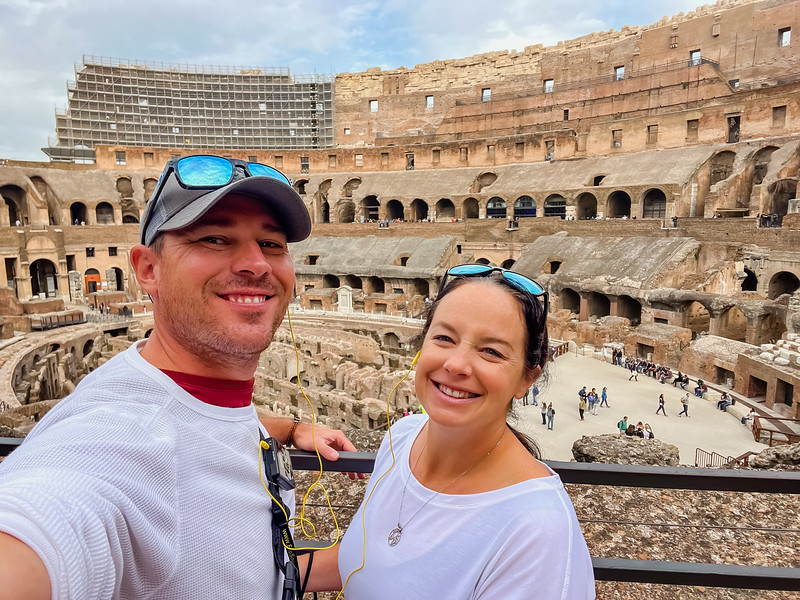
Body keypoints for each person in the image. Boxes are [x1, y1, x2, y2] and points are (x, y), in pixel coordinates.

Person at [0, 155, 357, 599]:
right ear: (148, 269)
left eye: (271, 244)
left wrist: (290, 428)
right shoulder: (116, 444)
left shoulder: (179, 394)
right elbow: (45, 521)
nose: (256, 264)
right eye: (214, 238)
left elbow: (249, 565)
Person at [333, 265, 595, 598]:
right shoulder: (402, 437)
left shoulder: (537, 534)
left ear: (527, 379)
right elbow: (368, 562)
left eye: (491, 351)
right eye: (444, 338)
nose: (456, 364)